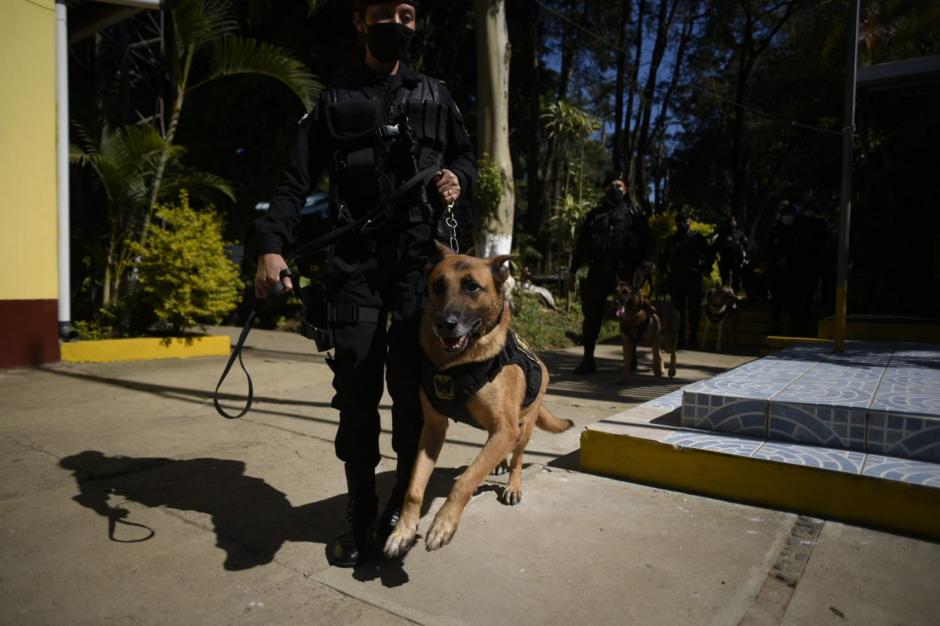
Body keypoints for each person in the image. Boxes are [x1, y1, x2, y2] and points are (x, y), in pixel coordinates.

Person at [251, 0, 476, 567]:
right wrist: (271, 246)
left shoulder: (436, 95)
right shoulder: (332, 101)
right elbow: (294, 180)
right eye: (384, 13)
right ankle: (358, 510)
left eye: (407, 13)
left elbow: (466, 159)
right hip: (352, 265)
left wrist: (457, 178)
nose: (396, 24)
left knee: (409, 389)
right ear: (359, 21)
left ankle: (401, 503)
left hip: (419, 271)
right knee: (355, 389)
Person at [569, 173, 655, 375]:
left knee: (631, 315)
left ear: (625, 188)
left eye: (619, 185)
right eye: (611, 186)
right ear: (604, 189)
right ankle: (588, 359)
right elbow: (581, 246)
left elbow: (650, 246)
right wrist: (572, 271)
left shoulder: (635, 217)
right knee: (591, 316)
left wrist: (644, 267)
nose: (615, 189)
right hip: (599, 271)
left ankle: (631, 359)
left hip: (626, 272)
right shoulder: (593, 216)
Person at [660, 213, 709, 348]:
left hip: (693, 276)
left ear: (690, 222)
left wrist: (705, 268)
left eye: (686, 221)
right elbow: (664, 257)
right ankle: (679, 339)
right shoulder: (671, 239)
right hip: (676, 278)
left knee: (694, 309)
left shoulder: (698, 238)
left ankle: (693, 338)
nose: (683, 224)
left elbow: (709, 254)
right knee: (677, 311)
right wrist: (663, 272)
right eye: (680, 222)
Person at [712, 215, 749, 294]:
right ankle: (725, 298)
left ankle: (735, 298)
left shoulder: (740, 234)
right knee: (725, 281)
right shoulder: (722, 235)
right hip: (725, 262)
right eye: (730, 221)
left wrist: (746, 258)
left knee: (736, 281)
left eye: (734, 220)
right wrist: (716, 259)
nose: (732, 222)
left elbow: (746, 247)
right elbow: (714, 248)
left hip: (737, 262)